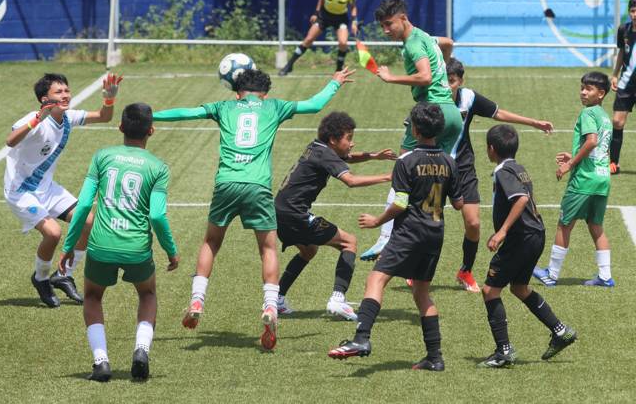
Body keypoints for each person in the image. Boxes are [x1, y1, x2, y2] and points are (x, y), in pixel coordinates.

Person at [152, 67, 354, 351]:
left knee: (212, 241)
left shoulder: (224, 107)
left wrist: (151, 116)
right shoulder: (274, 106)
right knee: (268, 249)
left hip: (226, 184)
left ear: (237, 92)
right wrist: (334, 83)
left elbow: (187, 112)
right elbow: (314, 105)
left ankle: (198, 299)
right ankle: (271, 307)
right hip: (257, 187)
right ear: (265, 93)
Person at [328, 103, 463, 372]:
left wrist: (377, 221)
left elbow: (400, 203)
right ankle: (434, 357)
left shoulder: (407, 161)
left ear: (415, 129)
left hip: (409, 233)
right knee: (422, 293)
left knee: (376, 279)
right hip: (434, 234)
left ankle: (361, 338)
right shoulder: (450, 161)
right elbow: (459, 203)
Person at [58, 103, 179, 382]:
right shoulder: (158, 167)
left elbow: (85, 203)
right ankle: (141, 350)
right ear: (152, 130)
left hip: (100, 244)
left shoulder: (102, 156)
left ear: (120, 127)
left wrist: (69, 246)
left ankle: (101, 362)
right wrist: (171, 251)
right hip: (137, 247)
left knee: (92, 297)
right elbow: (158, 216)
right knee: (147, 294)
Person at [4, 72, 121, 308]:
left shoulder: (68, 117)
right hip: (21, 191)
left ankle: (63, 274)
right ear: (44, 99)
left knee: (88, 222)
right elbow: (11, 140)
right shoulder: (36, 119)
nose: (66, 95)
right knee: (53, 233)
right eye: (59, 92)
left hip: (47, 188)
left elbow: (103, 116)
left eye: (67, 90)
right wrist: (37, 118)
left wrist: (109, 98)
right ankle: (41, 278)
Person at [359, 0, 463, 262]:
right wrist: (445, 63)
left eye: (388, 24)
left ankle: (385, 238)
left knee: (402, 170)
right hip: (452, 114)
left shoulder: (413, 44)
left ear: (403, 18)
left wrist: (391, 78)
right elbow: (448, 42)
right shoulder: (426, 37)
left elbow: (425, 76)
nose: (385, 31)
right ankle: (427, 231)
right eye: (382, 26)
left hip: (429, 111)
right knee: (436, 173)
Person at [444, 58, 553, 293]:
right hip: (436, 165)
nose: (447, 86)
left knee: (473, 223)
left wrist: (534, 122)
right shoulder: (433, 97)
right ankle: (415, 270)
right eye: (443, 81)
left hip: (462, 166)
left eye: (451, 81)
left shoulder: (468, 98)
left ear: (460, 81)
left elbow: (498, 113)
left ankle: (465, 270)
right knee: (427, 222)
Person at [275, 111, 394, 321]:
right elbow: (351, 181)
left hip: (280, 211)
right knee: (349, 242)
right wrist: (387, 176)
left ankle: (278, 298)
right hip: (296, 214)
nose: (352, 143)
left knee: (308, 250)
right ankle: (338, 299)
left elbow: (346, 157)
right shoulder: (326, 154)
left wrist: (373, 156)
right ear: (333, 140)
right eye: (348, 138)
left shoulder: (317, 148)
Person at [479, 124, 576, 368]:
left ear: (491, 149)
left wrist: (501, 232)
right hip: (535, 235)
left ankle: (504, 350)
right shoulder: (518, 168)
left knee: (490, 291)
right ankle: (560, 330)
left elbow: (521, 199)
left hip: (520, 238)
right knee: (520, 288)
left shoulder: (503, 172)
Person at [533, 72, 614, 287]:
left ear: (601, 94)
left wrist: (570, 164)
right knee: (596, 225)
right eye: (582, 88)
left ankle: (551, 274)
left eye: (589, 89)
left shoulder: (588, 113)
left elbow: (592, 142)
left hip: (584, 181)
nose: (583, 92)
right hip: (602, 178)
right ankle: (605, 276)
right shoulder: (605, 117)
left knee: (564, 224)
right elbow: (602, 150)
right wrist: (575, 156)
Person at [279, 0, 359, 76]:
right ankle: (289, 66)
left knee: (343, 43)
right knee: (308, 39)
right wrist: (315, 14)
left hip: (340, 19)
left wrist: (354, 21)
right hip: (324, 17)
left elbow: (353, 6)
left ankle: (339, 70)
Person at [609, 0, 636, 175]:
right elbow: (621, 53)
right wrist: (614, 74)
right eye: (633, 11)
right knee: (617, 121)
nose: (635, 14)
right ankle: (613, 162)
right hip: (626, 83)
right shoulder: (623, 30)